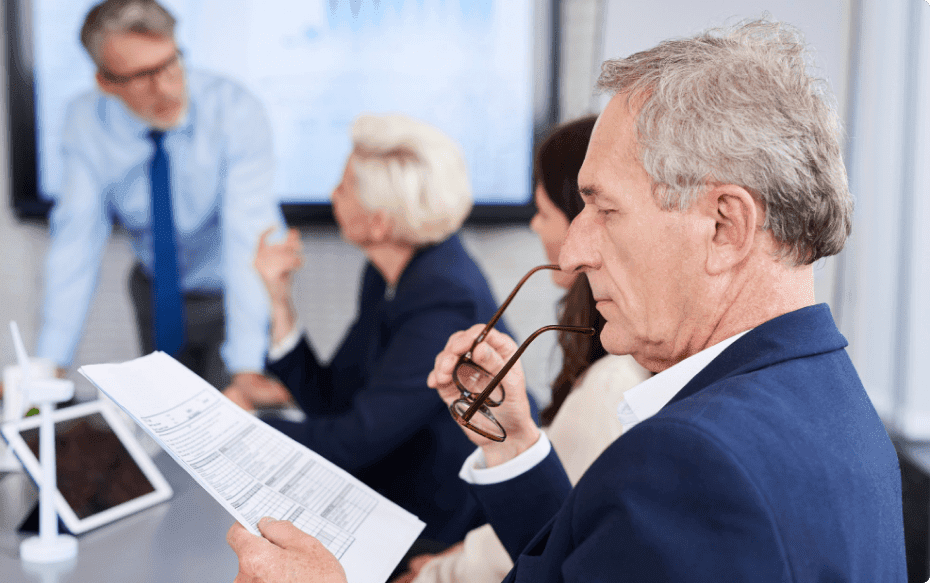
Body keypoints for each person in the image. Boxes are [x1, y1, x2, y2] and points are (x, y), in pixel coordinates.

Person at [226, 19, 907, 582]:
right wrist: (515, 445)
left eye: (603, 210)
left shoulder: (695, 461)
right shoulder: (828, 398)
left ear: (724, 227)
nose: (573, 252)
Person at [224, 113, 520, 548]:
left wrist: (240, 427)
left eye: (344, 186)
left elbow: (354, 440)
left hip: (442, 522)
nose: (332, 195)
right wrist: (278, 298)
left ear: (380, 222)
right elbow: (332, 400)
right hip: (392, 491)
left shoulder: (444, 299)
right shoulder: (390, 273)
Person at [398, 117, 651, 583]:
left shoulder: (611, 383)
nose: (537, 226)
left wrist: (438, 573)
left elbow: (558, 547)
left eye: (543, 210)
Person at [35, 0, 286, 397]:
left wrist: (247, 366)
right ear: (105, 82)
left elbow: (247, 237)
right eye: (142, 76)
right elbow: (75, 243)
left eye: (170, 63)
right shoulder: (85, 123)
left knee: (232, 423)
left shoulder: (235, 110)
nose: (166, 87)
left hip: (235, 291)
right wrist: (49, 365)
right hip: (158, 292)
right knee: (167, 418)